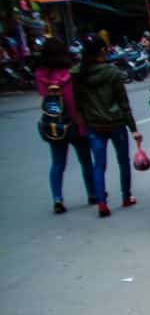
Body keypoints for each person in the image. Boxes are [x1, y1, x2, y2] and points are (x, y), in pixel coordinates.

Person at [72, 34, 141, 218]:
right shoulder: (111, 72)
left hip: (94, 125)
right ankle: (126, 196)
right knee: (123, 161)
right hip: (116, 123)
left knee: (99, 165)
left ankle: (102, 203)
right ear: (103, 50)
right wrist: (133, 128)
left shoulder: (78, 73)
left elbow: (78, 103)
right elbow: (123, 102)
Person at [35, 37, 95, 214]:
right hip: (75, 122)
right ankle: (92, 193)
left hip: (54, 124)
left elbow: (43, 96)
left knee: (58, 163)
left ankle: (57, 198)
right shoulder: (71, 74)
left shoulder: (41, 75)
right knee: (85, 160)